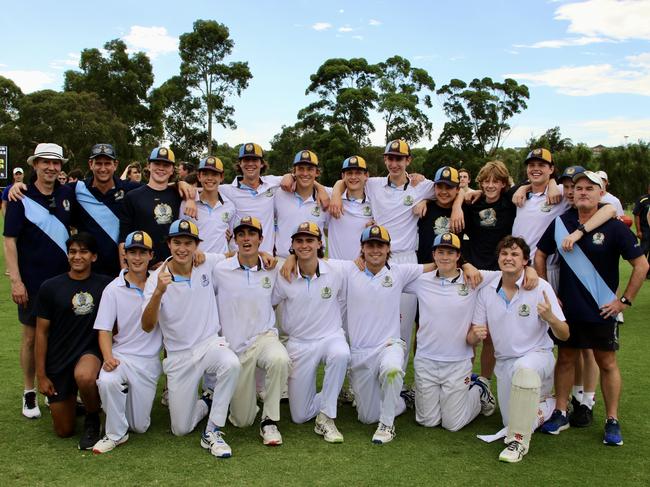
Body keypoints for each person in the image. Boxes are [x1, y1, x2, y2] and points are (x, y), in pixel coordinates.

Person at [535, 171, 648, 446]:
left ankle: (612, 420)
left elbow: (642, 265)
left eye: (589, 188)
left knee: (606, 363)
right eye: (578, 188)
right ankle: (561, 413)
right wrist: (548, 289)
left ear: (601, 194)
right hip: (569, 310)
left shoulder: (615, 226)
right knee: (566, 359)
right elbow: (540, 254)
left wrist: (624, 301)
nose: (582, 192)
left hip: (602, 310)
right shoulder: (562, 222)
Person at [141, 219, 241, 458]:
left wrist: (269, 256)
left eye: (188, 243)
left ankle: (213, 430)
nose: (182, 249)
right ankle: (207, 401)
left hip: (209, 344)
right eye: (177, 243)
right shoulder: (156, 278)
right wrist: (158, 293)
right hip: (179, 355)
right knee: (180, 429)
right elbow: (147, 326)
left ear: (197, 245)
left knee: (231, 363)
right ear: (169, 244)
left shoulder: (206, 263)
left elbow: (237, 255)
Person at [404, 232, 522, 430]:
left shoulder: (474, 279)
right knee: (427, 421)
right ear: (433, 255)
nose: (445, 257)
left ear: (459, 256)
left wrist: (532, 272)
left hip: (457, 362)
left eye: (450, 252)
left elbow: (509, 272)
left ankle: (479, 389)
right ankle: (448, 398)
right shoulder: (421, 281)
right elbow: (392, 274)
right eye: (440, 252)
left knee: (452, 424)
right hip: (426, 360)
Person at [471, 236, 569, 463]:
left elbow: (564, 333)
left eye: (515, 254)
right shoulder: (487, 289)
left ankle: (518, 442)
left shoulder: (540, 287)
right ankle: (552, 404)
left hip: (537, 357)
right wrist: (477, 333)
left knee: (523, 370)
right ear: (498, 259)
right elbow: (477, 327)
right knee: (510, 420)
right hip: (505, 363)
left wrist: (551, 318)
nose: (508, 258)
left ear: (526, 261)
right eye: (504, 254)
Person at [342, 224, 436, 444]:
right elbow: (318, 262)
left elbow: (436, 265)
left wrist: (465, 265)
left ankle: (387, 425)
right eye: (370, 245)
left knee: (393, 369)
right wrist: (289, 258)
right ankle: (399, 402)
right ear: (362, 248)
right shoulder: (348, 270)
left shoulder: (399, 271)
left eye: (380, 245)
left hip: (389, 345)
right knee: (366, 418)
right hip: (361, 352)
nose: (376, 250)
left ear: (388, 249)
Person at [4, 143, 74, 419]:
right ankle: (29, 391)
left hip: (64, 282)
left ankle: (53, 387)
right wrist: (16, 281)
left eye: (56, 163)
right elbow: (9, 242)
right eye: (45, 162)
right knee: (31, 337)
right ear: (34, 165)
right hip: (32, 282)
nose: (51, 168)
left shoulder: (68, 193)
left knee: (59, 337)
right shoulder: (19, 197)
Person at [211, 216, 289, 446]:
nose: (247, 239)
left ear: (261, 239)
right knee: (242, 420)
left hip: (264, 337)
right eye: (241, 234)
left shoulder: (271, 269)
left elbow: (303, 260)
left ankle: (269, 421)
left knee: (279, 358)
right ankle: (242, 403)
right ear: (235, 240)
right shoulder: (220, 269)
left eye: (252, 234)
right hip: (234, 349)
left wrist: (283, 257)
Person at [273, 222, 350, 443]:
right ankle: (330, 396)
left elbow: (365, 262)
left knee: (341, 353)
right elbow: (268, 303)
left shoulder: (336, 269)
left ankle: (326, 418)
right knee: (300, 415)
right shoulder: (283, 274)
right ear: (293, 245)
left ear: (319, 243)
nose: (304, 245)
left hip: (330, 337)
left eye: (309, 240)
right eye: (299, 241)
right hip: (299, 343)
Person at [34, 233, 113, 449]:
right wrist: (41, 375)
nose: (77, 256)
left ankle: (92, 417)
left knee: (84, 376)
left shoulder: (106, 285)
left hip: (89, 352)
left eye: (83, 252)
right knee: (64, 431)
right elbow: (41, 333)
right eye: (73, 252)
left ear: (94, 257)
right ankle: (76, 402)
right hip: (59, 359)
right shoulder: (50, 287)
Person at [92, 231, 163, 454]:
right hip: (122, 356)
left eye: (142, 252)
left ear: (151, 255)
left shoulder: (159, 283)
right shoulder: (113, 289)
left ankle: (121, 412)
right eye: (132, 252)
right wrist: (108, 358)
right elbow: (104, 329)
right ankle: (115, 433)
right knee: (107, 381)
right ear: (125, 255)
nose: (137, 258)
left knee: (140, 426)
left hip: (148, 362)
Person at [119, 147, 194, 269]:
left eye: (166, 165)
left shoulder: (178, 194)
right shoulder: (132, 197)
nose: (161, 168)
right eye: (157, 163)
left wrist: (189, 197)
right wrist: (125, 271)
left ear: (172, 170)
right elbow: (123, 237)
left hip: (174, 267)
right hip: (142, 269)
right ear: (149, 165)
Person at [274, 150, 330, 259]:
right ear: (293, 171)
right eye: (301, 169)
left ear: (317, 172)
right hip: (283, 261)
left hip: (314, 264)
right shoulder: (278, 194)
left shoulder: (326, 197)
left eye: (310, 169)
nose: (305, 173)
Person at [180, 156, 235, 254]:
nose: (210, 178)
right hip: (195, 264)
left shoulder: (229, 206)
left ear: (221, 177)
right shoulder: (187, 203)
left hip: (220, 264)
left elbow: (231, 237)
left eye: (214, 174)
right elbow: (180, 236)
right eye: (205, 174)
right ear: (199, 177)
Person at [327, 156, 373, 260]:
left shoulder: (374, 203)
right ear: (343, 176)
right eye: (349, 173)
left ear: (366, 175)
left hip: (361, 268)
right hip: (335, 267)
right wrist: (335, 194)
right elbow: (310, 184)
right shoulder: (331, 196)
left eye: (358, 173)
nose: (353, 177)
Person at [416, 166, 462, 264]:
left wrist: (457, 206)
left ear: (457, 189)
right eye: (439, 186)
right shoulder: (424, 208)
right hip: (425, 270)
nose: (444, 191)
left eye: (449, 187)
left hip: (454, 271)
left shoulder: (463, 210)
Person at [632, 183, 650, 276]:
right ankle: (641, 271)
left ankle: (648, 273)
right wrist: (639, 230)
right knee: (644, 251)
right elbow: (636, 215)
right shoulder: (643, 200)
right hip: (646, 231)